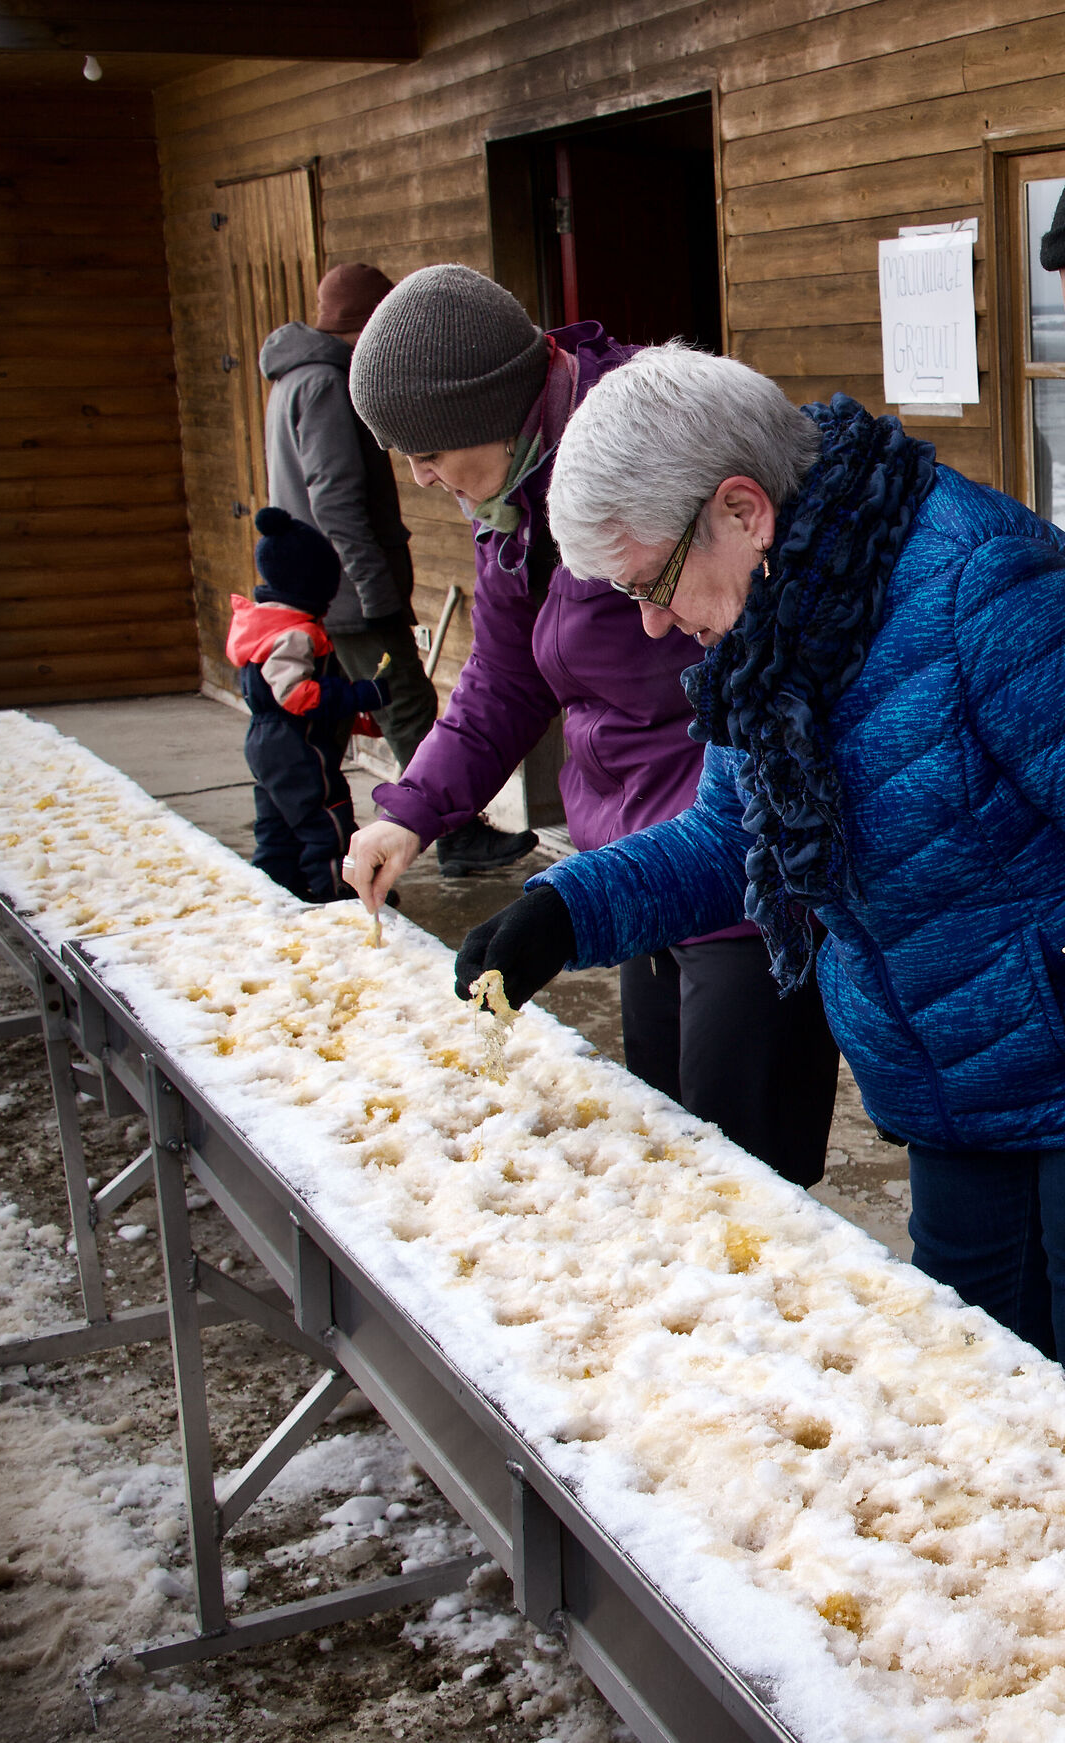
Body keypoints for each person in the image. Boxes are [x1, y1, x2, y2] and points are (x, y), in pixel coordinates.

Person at [446, 345, 1065, 1476]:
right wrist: (562, 914)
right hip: (941, 1088)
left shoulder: (990, 589)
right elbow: (732, 837)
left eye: (650, 584)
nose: (647, 625)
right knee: (984, 1412)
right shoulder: (776, 633)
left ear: (743, 510)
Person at [339, 266, 839, 1188]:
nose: (419, 474)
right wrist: (412, 810)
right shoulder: (510, 500)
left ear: (488, 408)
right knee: (667, 1148)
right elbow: (504, 675)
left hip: (732, 862)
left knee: (745, 1177)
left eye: (429, 449)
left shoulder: (644, 453)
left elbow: (770, 628)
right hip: (631, 868)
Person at [258, 264, 475, 844]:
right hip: (348, 584)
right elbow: (335, 496)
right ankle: (456, 839)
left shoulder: (290, 380)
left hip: (319, 584)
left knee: (318, 730)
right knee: (405, 704)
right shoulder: (328, 383)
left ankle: (307, 850)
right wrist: (375, 589)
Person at [227, 508, 390, 904]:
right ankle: (340, 892)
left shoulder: (264, 625)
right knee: (326, 816)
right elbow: (296, 697)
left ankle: (277, 886)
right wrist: (358, 696)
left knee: (278, 821)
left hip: (267, 743)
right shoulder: (295, 633)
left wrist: (357, 720)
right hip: (295, 747)